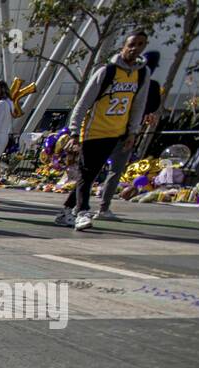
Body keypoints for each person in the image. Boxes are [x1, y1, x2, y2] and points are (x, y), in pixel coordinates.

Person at [56, 27, 151, 231]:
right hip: (92, 131)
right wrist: (74, 132)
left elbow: (138, 106)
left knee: (88, 175)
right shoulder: (107, 72)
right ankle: (82, 212)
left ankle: (65, 211)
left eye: (140, 45)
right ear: (123, 46)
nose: (135, 49)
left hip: (116, 132)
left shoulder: (142, 74)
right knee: (86, 172)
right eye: (131, 44)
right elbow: (83, 103)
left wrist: (132, 131)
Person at [99, 48, 163, 220]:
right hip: (126, 130)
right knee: (115, 170)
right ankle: (103, 207)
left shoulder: (127, 79)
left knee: (93, 168)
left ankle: (81, 206)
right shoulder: (149, 85)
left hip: (110, 127)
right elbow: (151, 107)